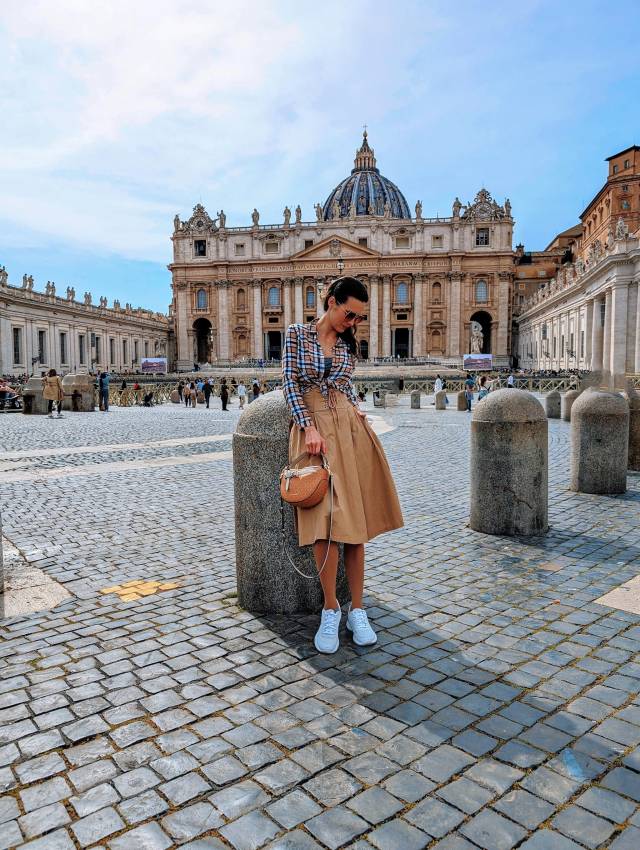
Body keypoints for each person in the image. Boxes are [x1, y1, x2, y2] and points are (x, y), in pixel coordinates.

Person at [282, 276, 404, 655]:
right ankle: (331, 609)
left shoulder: (350, 344)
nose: (354, 323)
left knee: (356, 524)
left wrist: (358, 410)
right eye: (350, 314)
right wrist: (308, 426)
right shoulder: (296, 335)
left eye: (359, 318)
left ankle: (358, 609)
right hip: (314, 430)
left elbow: (346, 385)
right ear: (331, 302)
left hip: (349, 429)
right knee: (324, 524)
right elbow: (289, 382)